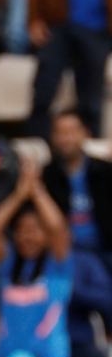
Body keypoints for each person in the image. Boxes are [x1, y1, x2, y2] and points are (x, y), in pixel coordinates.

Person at [0, 160, 73, 357]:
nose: (28, 236)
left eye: (36, 230)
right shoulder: (8, 264)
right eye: (23, 230)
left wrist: (37, 191)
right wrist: (19, 195)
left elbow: (58, 227)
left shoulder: (58, 266)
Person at [27, 0, 112, 138]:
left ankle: (88, 154)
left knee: (92, 102)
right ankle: (38, 147)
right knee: (43, 93)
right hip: (57, 25)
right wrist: (34, 18)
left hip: (98, 30)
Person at [43, 110, 112, 266]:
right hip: (65, 253)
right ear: (53, 137)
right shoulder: (47, 176)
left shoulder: (105, 170)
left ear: (85, 134)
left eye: (72, 132)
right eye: (61, 133)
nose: (66, 139)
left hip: (105, 249)